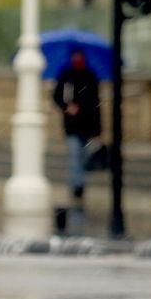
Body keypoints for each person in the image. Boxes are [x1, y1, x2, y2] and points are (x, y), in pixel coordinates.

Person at [52, 48, 102, 200]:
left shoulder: (90, 77)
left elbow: (96, 104)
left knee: (84, 155)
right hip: (72, 125)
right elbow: (57, 97)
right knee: (74, 155)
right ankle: (77, 185)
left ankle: (78, 180)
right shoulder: (66, 76)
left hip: (87, 126)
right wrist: (66, 107)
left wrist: (98, 128)